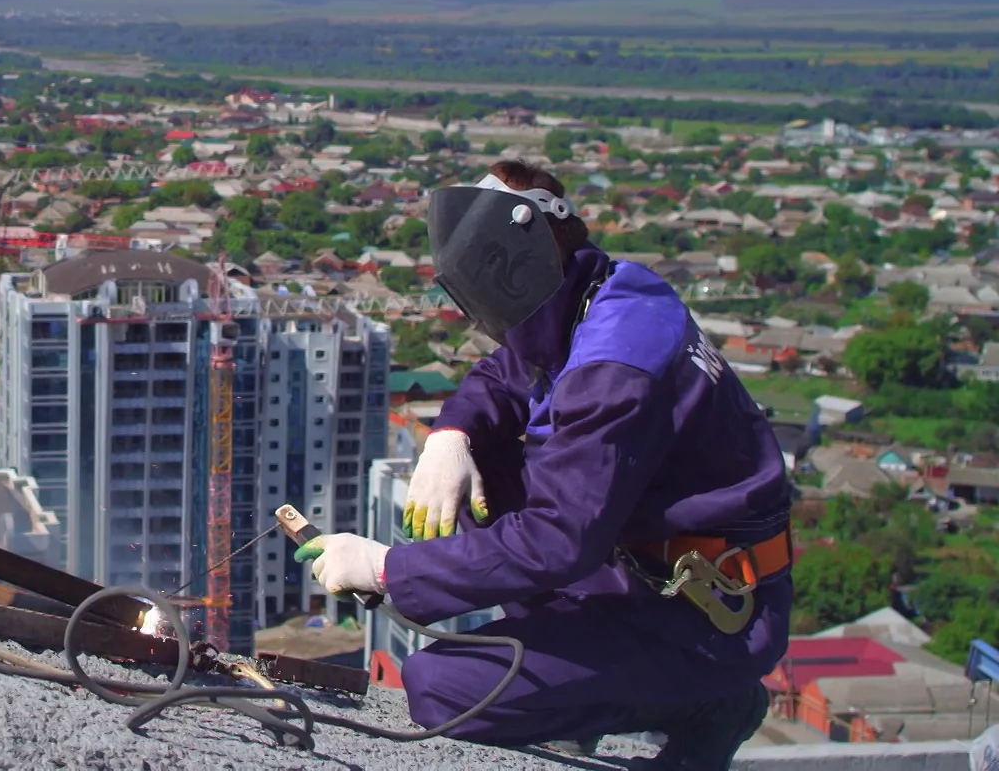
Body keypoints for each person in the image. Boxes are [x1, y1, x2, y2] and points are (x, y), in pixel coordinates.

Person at [296, 161, 792, 770]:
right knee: (487, 451)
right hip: (645, 575)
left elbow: (558, 538)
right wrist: (450, 437)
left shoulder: (614, 369)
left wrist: (385, 568)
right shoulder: (600, 293)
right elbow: (502, 378)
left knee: (442, 689)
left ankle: (708, 702)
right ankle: (582, 665)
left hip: (705, 618)